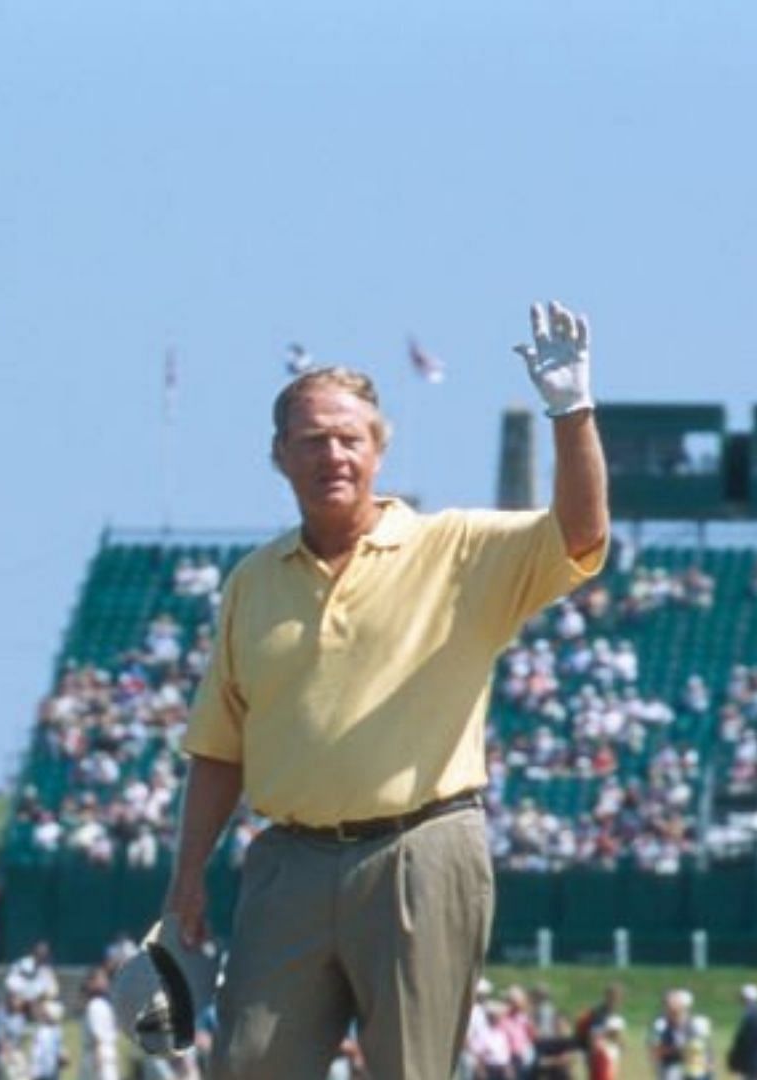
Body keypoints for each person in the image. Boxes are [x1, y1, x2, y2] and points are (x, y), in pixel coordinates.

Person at [163, 302, 609, 1079]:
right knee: (244, 1065)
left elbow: (578, 533)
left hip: (420, 847)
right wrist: (186, 876)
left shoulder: (456, 549)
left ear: (380, 448)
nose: (332, 455)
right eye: (312, 441)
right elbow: (219, 745)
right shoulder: (252, 582)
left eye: (349, 438)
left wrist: (570, 413)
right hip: (289, 861)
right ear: (279, 456)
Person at [725, 985, 757, 1080]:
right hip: (755, 1063)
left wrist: (736, 1060)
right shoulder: (756, 1014)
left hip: (753, 1064)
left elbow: (747, 1042)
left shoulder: (753, 1016)